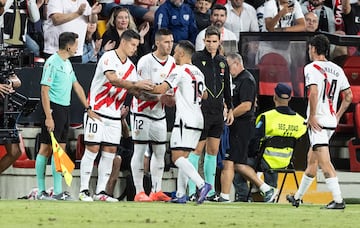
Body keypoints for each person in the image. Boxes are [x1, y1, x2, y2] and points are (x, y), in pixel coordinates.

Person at [78, 29, 155, 202]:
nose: (135, 49)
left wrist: (155, 96)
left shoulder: (130, 66)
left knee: (110, 152)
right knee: (92, 150)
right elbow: (113, 79)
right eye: (133, 45)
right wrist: (136, 83)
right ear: (124, 42)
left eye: (137, 46)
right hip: (96, 111)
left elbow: (135, 90)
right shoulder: (108, 57)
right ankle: (83, 190)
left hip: (114, 115)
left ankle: (101, 193)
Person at [286, 34, 353, 210]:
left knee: (324, 162)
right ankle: (298, 198)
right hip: (330, 121)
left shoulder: (311, 67)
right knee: (312, 161)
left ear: (314, 49)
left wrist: (313, 116)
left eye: (310, 48)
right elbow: (349, 96)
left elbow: (314, 93)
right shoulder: (337, 69)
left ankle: (338, 200)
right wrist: (337, 116)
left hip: (319, 123)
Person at [35, 32, 98, 200]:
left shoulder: (67, 63)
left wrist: (88, 107)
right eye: (77, 44)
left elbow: (76, 85)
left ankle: (57, 191)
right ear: (69, 46)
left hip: (65, 109)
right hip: (53, 109)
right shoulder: (52, 63)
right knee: (46, 149)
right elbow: (44, 90)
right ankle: (42, 191)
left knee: (60, 150)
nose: (78, 47)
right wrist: (48, 116)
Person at [149, 40, 211, 204]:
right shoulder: (198, 72)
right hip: (198, 119)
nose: (173, 55)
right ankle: (181, 195)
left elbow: (161, 89)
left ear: (182, 53)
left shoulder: (179, 70)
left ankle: (201, 184)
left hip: (185, 118)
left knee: (177, 158)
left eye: (175, 52)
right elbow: (204, 95)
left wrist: (141, 86)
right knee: (184, 157)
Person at [217, 53, 278, 203]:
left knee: (230, 161)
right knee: (236, 163)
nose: (227, 70)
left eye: (229, 66)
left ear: (237, 63)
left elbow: (246, 105)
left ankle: (225, 196)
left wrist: (229, 115)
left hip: (242, 126)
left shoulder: (247, 80)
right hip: (235, 126)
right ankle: (265, 188)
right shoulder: (235, 80)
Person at [234, 82, 307, 202]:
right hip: (286, 162)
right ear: (289, 98)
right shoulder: (300, 121)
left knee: (237, 162)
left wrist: (250, 153)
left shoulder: (267, 117)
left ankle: (243, 196)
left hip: (265, 160)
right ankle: (269, 192)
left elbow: (254, 141)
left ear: (274, 97)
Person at [188, 26, 234, 201]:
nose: (211, 44)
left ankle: (211, 190)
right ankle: (192, 190)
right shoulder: (197, 58)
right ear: (204, 41)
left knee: (213, 151)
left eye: (214, 41)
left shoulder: (223, 62)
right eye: (208, 41)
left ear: (219, 41)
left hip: (217, 111)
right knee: (196, 150)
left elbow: (227, 87)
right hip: (201, 110)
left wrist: (229, 108)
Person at [130, 28, 175, 202]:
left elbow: (172, 90)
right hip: (141, 112)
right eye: (166, 42)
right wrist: (160, 97)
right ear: (157, 42)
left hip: (159, 114)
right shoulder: (145, 61)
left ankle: (157, 190)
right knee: (140, 150)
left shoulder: (172, 62)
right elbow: (138, 91)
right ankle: (139, 191)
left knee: (160, 151)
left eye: (171, 41)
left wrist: (171, 99)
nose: (169, 45)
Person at [0, 61, 22, 174]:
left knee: (15, 152)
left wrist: (10, 83)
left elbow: (17, 81)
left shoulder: (5, 60)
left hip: (5, 110)